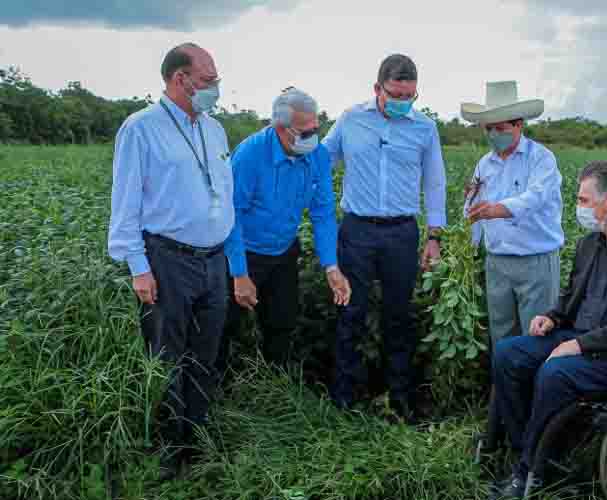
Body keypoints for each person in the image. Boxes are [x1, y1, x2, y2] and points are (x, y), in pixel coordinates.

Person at [490, 161, 607, 499]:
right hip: (578, 336)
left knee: (556, 372)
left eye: (582, 200)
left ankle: (528, 473)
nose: (578, 207)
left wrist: (580, 344)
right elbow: (571, 297)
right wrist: (551, 317)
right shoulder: (590, 244)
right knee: (508, 353)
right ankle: (525, 449)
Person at [107, 43, 232, 479]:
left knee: (205, 355)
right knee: (167, 356)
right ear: (181, 79)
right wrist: (138, 267)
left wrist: (231, 261)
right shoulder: (141, 128)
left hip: (214, 260)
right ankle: (166, 452)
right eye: (209, 81)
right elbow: (124, 203)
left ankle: (195, 439)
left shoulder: (214, 129)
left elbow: (223, 195)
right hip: (167, 261)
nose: (215, 89)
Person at [322, 54, 447, 419]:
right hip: (356, 229)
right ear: (377, 88)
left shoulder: (424, 128)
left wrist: (434, 235)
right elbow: (321, 161)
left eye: (409, 95)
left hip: (401, 233)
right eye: (395, 94)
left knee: (398, 316)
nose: (402, 101)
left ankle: (400, 398)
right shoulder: (350, 120)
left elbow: (435, 183)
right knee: (350, 313)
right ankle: (344, 397)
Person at [218, 88, 351, 375]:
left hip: (283, 252)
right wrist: (239, 273)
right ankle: (218, 393)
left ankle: (274, 386)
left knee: (282, 323)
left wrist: (331, 266)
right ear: (280, 128)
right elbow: (231, 214)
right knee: (224, 325)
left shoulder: (317, 156)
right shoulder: (251, 154)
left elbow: (323, 213)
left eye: (316, 129)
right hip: (244, 251)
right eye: (304, 133)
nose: (312, 138)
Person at [461, 81, 564, 345]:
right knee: (501, 333)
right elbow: (473, 209)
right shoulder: (484, 164)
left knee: (537, 334)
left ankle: (536, 387)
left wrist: (498, 209)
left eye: (501, 128)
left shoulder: (541, 159)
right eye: (490, 129)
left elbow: (535, 198)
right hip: (496, 261)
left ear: (519, 125)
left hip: (536, 261)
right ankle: (504, 386)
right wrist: (468, 246)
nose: (495, 134)